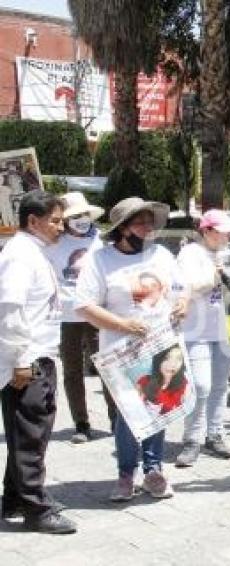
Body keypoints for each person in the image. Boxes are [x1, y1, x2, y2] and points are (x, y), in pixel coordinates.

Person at [76, 197, 188, 503]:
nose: (149, 228)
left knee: (159, 408)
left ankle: (153, 469)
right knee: (129, 414)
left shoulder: (162, 255)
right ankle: (126, 473)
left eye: (151, 221)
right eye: (141, 222)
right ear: (123, 228)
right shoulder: (100, 261)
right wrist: (123, 325)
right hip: (122, 352)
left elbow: (181, 289)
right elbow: (85, 306)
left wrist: (182, 304)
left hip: (162, 346)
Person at [0, 190, 76, 534]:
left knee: (27, 431)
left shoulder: (32, 251)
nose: (62, 228)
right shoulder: (20, 255)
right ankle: (36, 510)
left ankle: (15, 497)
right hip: (28, 360)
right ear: (33, 221)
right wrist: (20, 360)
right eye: (55, 221)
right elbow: (11, 311)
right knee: (31, 434)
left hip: (37, 355)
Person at [44, 192, 111, 443]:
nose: (81, 220)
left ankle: (117, 418)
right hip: (66, 315)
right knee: (72, 370)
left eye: (84, 215)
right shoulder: (53, 243)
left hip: (97, 311)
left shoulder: (99, 240)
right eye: (75, 216)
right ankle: (81, 423)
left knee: (106, 365)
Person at [174, 209, 230, 467]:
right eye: (223, 231)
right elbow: (187, 286)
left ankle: (215, 433)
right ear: (207, 230)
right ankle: (192, 438)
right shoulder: (190, 253)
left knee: (220, 385)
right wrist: (216, 277)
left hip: (227, 328)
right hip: (196, 330)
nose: (228, 235)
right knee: (201, 386)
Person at [138, 345, 188, 416]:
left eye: (179, 359)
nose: (173, 364)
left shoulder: (183, 383)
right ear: (158, 359)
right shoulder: (144, 380)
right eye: (167, 358)